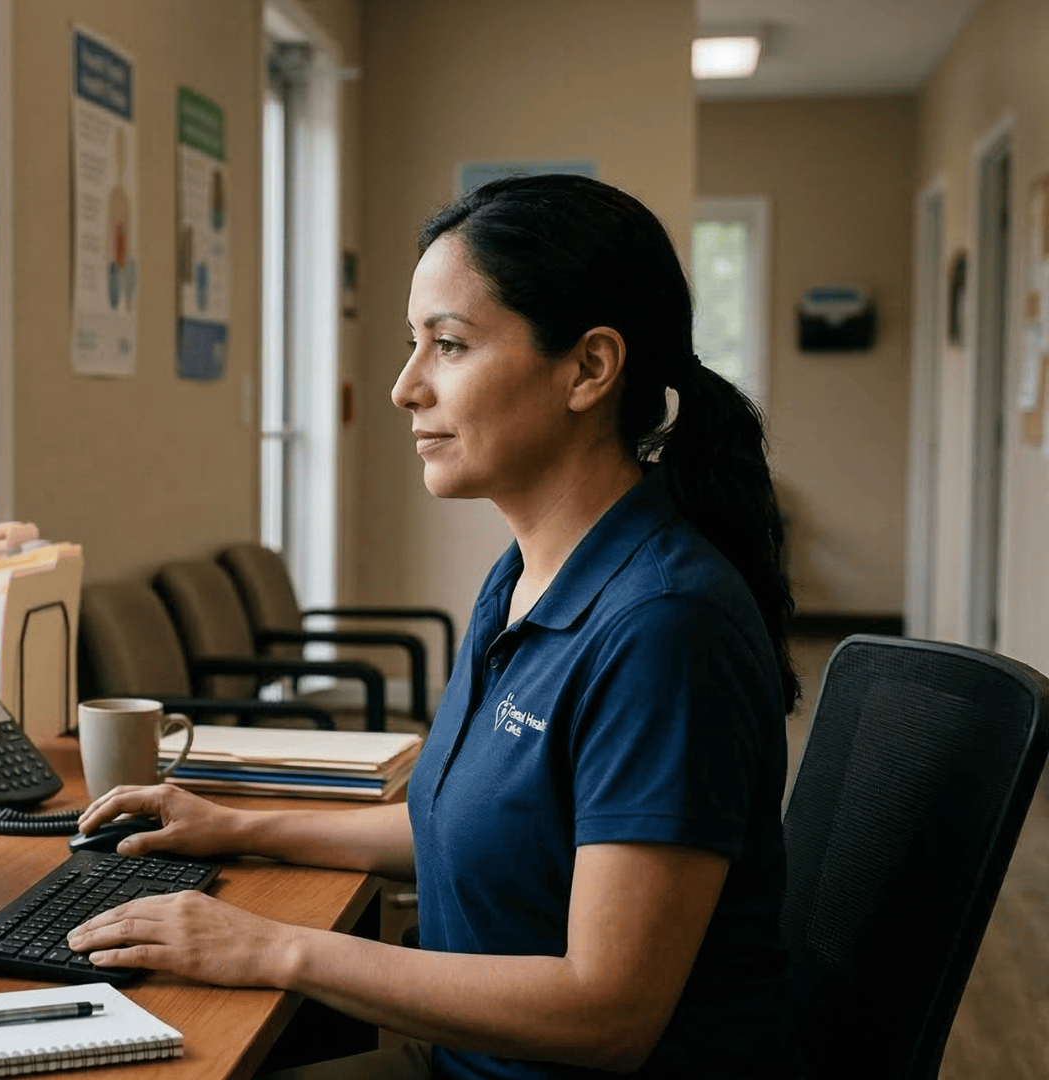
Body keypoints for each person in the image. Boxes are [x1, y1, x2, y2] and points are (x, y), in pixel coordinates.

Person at [67, 174, 799, 1079]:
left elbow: (608, 1012)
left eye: (448, 345)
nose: (404, 387)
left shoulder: (663, 628)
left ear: (589, 368)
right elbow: (473, 824)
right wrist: (237, 825)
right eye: (412, 344)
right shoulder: (523, 577)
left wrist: (271, 947)